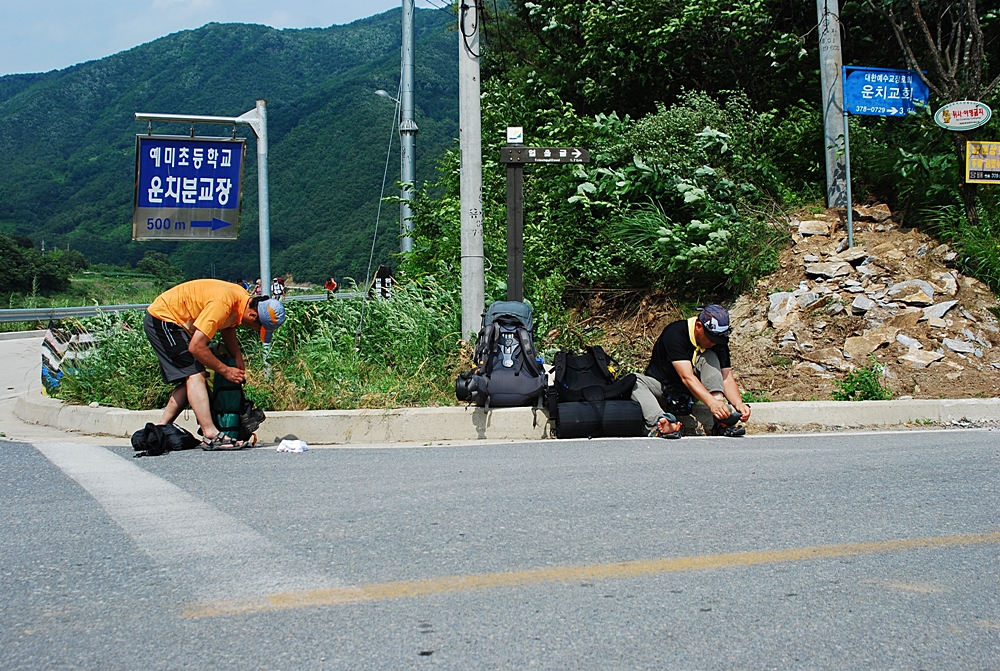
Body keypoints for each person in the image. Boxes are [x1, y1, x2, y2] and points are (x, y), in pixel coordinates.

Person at [143, 278, 286, 449]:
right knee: (195, 374)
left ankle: (161, 429)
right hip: (164, 320)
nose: (254, 331)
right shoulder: (223, 303)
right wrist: (225, 370)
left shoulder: (241, 300)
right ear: (253, 315)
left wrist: (237, 356)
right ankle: (210, 434)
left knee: (193, 377)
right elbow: (196, 347)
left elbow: (227, 326)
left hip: (177, 323)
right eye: (257, 328)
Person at [632, 304, 751, 438]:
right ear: (699, 326)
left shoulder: (718, 341)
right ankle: (662, 423)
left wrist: (738, 403)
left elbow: (727, 378)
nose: (714, 342)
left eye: (718, 339)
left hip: (693, 392)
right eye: (711, 338)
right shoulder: (675, 333)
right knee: (634, 380)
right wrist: (711, 403)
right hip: (663, 389)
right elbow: (686, 376)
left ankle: (721, 421)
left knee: (710, 356)